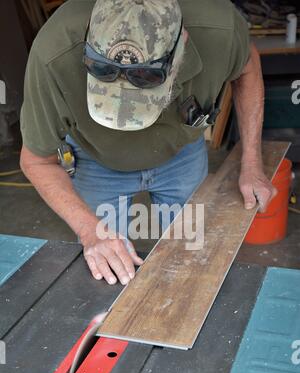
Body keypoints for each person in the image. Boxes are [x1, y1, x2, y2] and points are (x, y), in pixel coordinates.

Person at [20, 0, 276, 286]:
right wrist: (91, 231)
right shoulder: (54, 52)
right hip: (97, 158)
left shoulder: (219, 27)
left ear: (183, 45)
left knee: (190, 263)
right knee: (106, 271)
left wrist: (252, 162)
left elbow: (247, 65)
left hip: (181, 154)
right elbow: (36, 160)